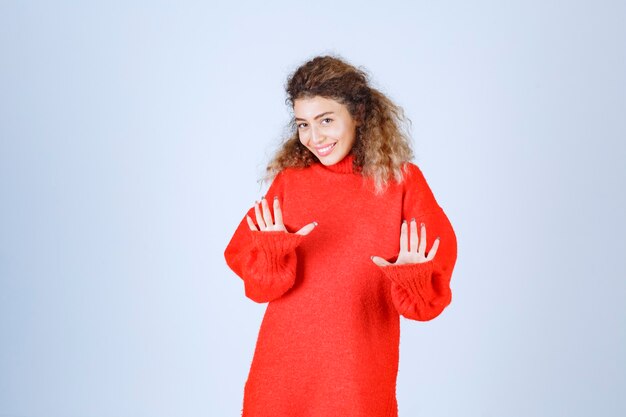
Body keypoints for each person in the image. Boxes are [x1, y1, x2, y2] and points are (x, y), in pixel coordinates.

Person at [223, 54, 458, 417]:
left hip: (357, 379)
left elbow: (427, 305)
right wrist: (271, 256)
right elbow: (258, 288)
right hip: (281, 377)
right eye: (303, 124)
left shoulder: (402, 184)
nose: (314, 137)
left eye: (326, 120)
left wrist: (412, 278)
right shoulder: (290, 182)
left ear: (359, 114)